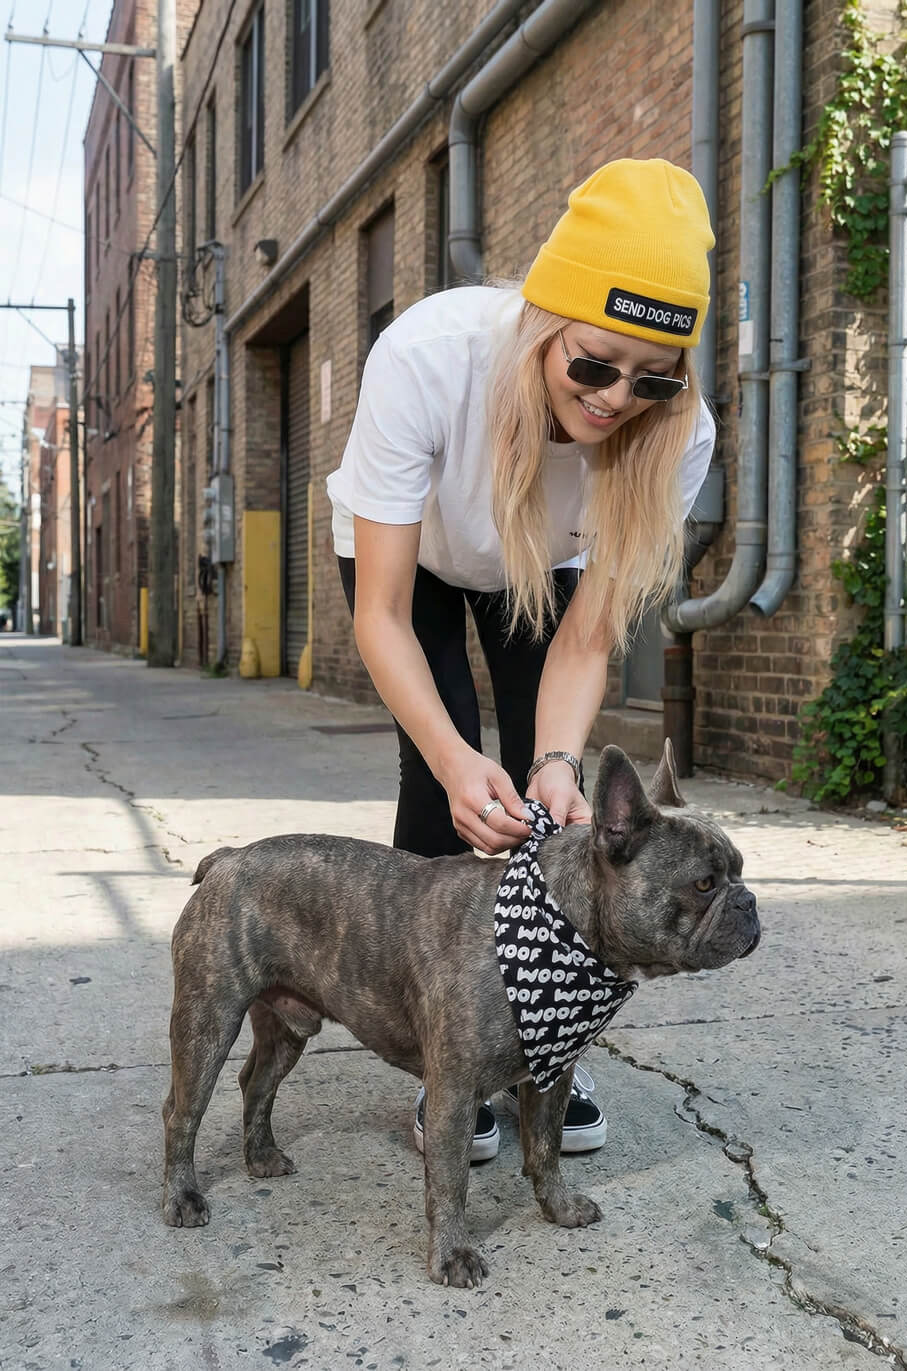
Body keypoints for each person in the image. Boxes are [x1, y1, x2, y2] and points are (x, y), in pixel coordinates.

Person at [326, 156, 716, 1162]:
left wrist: (554, 760)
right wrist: (458, 761)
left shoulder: (678, 435)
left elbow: (586, 638)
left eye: (652, 377)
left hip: (536, 565)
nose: (617, 398)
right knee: (444, 780)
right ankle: (446, 1052)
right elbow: (382, 616)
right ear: (545, 324)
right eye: (593, 365)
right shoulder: (428, 358)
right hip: (408, 557)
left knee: (552, 811)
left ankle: (544, 1043)